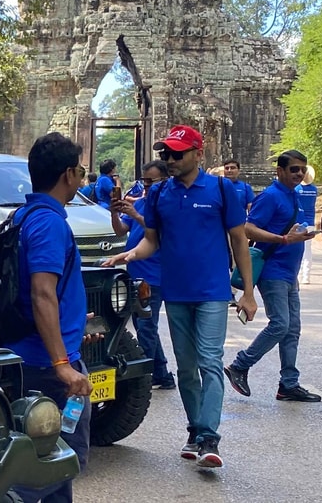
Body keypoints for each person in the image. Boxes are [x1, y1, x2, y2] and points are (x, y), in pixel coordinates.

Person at [103, 125, 254, 469]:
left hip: (213, 291)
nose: (170, 159)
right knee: (186, 368)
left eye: (177, 153)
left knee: (210, 362)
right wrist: (125, 256)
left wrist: (248, 290)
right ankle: (195, 430)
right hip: (176, 292)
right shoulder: (159, 195)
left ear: (198, 154)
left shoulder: (221, 189)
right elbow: (150, 241)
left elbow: (239, 240)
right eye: (166, 154)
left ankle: (209, 436)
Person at [4, 132, 90, 503]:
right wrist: (62, 363)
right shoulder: (49, 223)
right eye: (81, 171)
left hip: (39, 355)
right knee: (43, 469)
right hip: (45, 365)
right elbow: (42, 293)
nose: (82, 178)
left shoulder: (22, 216)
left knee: (57, 465)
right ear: (69, 174)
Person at [223, 150, 322, 403]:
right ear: (280, 171)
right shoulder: (271, 195)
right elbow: (247, 228)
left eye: (302, 169)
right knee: (280, 324)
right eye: (294, 170)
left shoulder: (293, 195)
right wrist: (282, 239)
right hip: (273, 270)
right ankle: (240, 365)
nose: (299, 173)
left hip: (289, 272)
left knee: (292, 329)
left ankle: (289, 384)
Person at [110, 160, 176, 390]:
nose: (146, 186)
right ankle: (161, 373)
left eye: (151, 181)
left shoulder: (166, 205)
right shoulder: (141, 203)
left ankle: (147, 375)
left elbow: (159, 233)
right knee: (142, 325)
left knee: (147, 326)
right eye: (144, 181)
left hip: (154, 276)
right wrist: (114, 212)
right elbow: (120, 229)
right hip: (135, 274)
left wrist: (136, 215)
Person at [296, 165, 319, 284]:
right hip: (310, 221)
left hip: (299, 222)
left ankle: (297, 273)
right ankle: (306, 276)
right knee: (307, 250)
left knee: (297, 249)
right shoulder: (314, 190)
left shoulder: (297, 189)